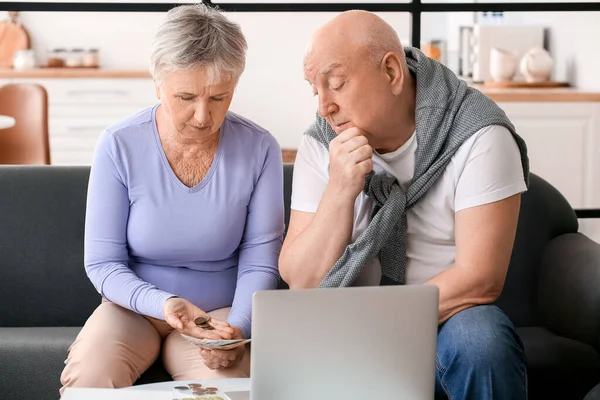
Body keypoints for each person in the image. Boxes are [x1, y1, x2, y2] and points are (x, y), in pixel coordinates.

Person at [279, 10, 529, 400]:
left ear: (392, 72)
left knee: (482, 339)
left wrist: (382, 320)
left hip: (446, 319)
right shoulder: (322, 141)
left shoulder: (479, 135)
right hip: (344, 319)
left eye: (336, 84)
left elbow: (480, 279)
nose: (323, 106)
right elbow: (303, 281)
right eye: (315, 90)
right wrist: (340, 190)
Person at [60, 4, 284, 394]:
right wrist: (165, 304)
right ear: (157, 83)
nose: (203, 116)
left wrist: (238, 330)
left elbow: (259, 259)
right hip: (133, 310)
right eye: (186, 97)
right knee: (91, 382)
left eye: (219, 98)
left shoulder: (260, 147)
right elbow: (102, 262)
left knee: (232, 390)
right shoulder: (119, 144)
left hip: (220, 315)